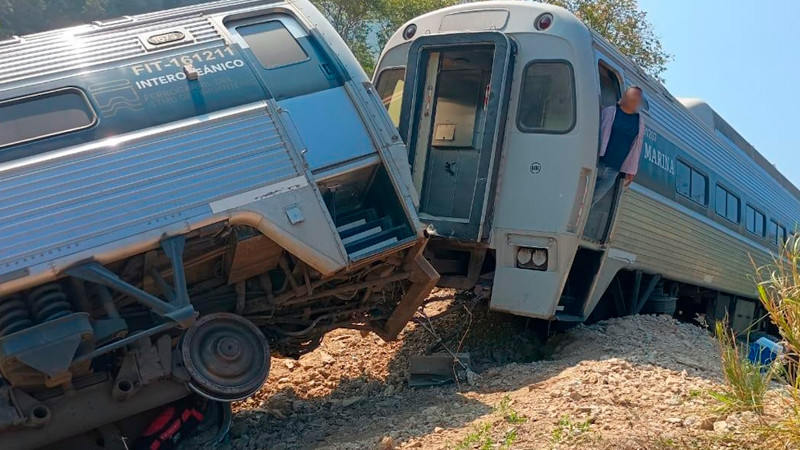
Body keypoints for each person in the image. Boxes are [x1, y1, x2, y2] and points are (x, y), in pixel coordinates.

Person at [591, 86, 646, 206]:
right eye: (632, 96)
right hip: (596, 161)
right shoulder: (609, 112)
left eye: (637, 98)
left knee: (593, 199)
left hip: (613, 170)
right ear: (624, 97)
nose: (634, 100)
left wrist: (631, 170)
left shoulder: (639, 122)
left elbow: (636, 147)